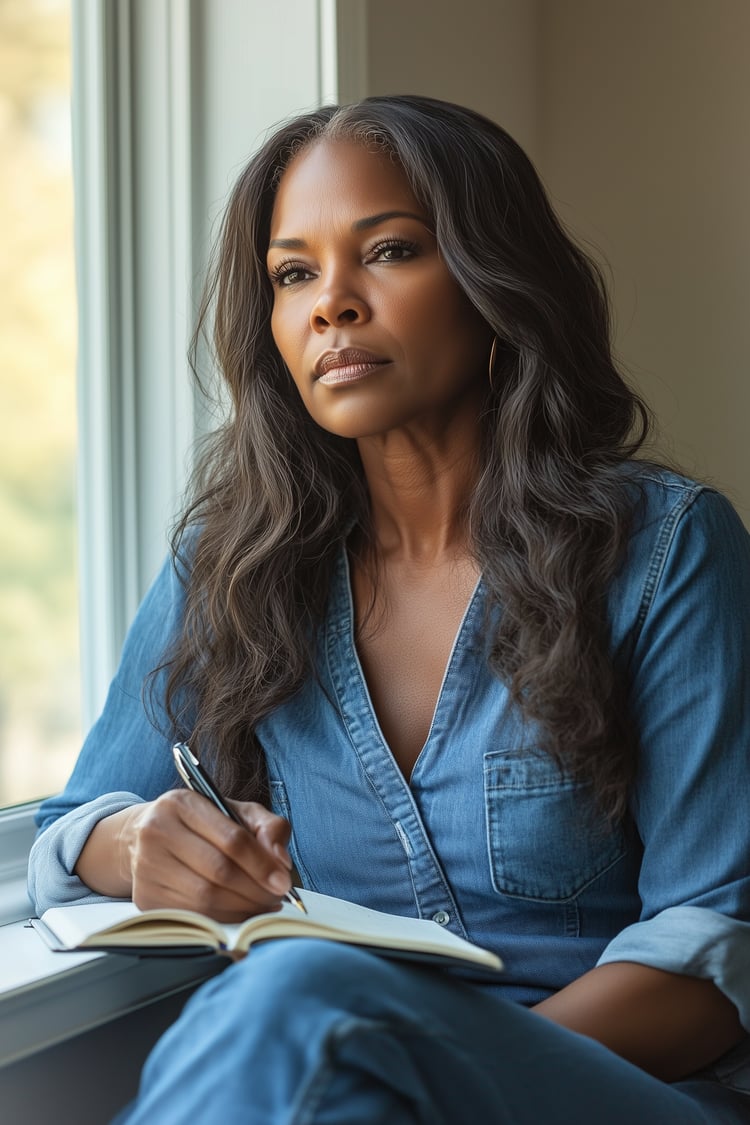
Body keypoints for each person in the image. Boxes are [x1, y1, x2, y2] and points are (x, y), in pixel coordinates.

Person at [28, 95, 750, 1123]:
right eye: (293, 274)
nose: (332, 304)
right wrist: (142, 840)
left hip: (624, 1094)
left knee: (301, 994)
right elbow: (72, 828)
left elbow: (713, 957)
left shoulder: (666, 549)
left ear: (494, 282)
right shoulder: (231, 565)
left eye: (391, 251)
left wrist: (426, 1063)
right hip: (353, 1087)